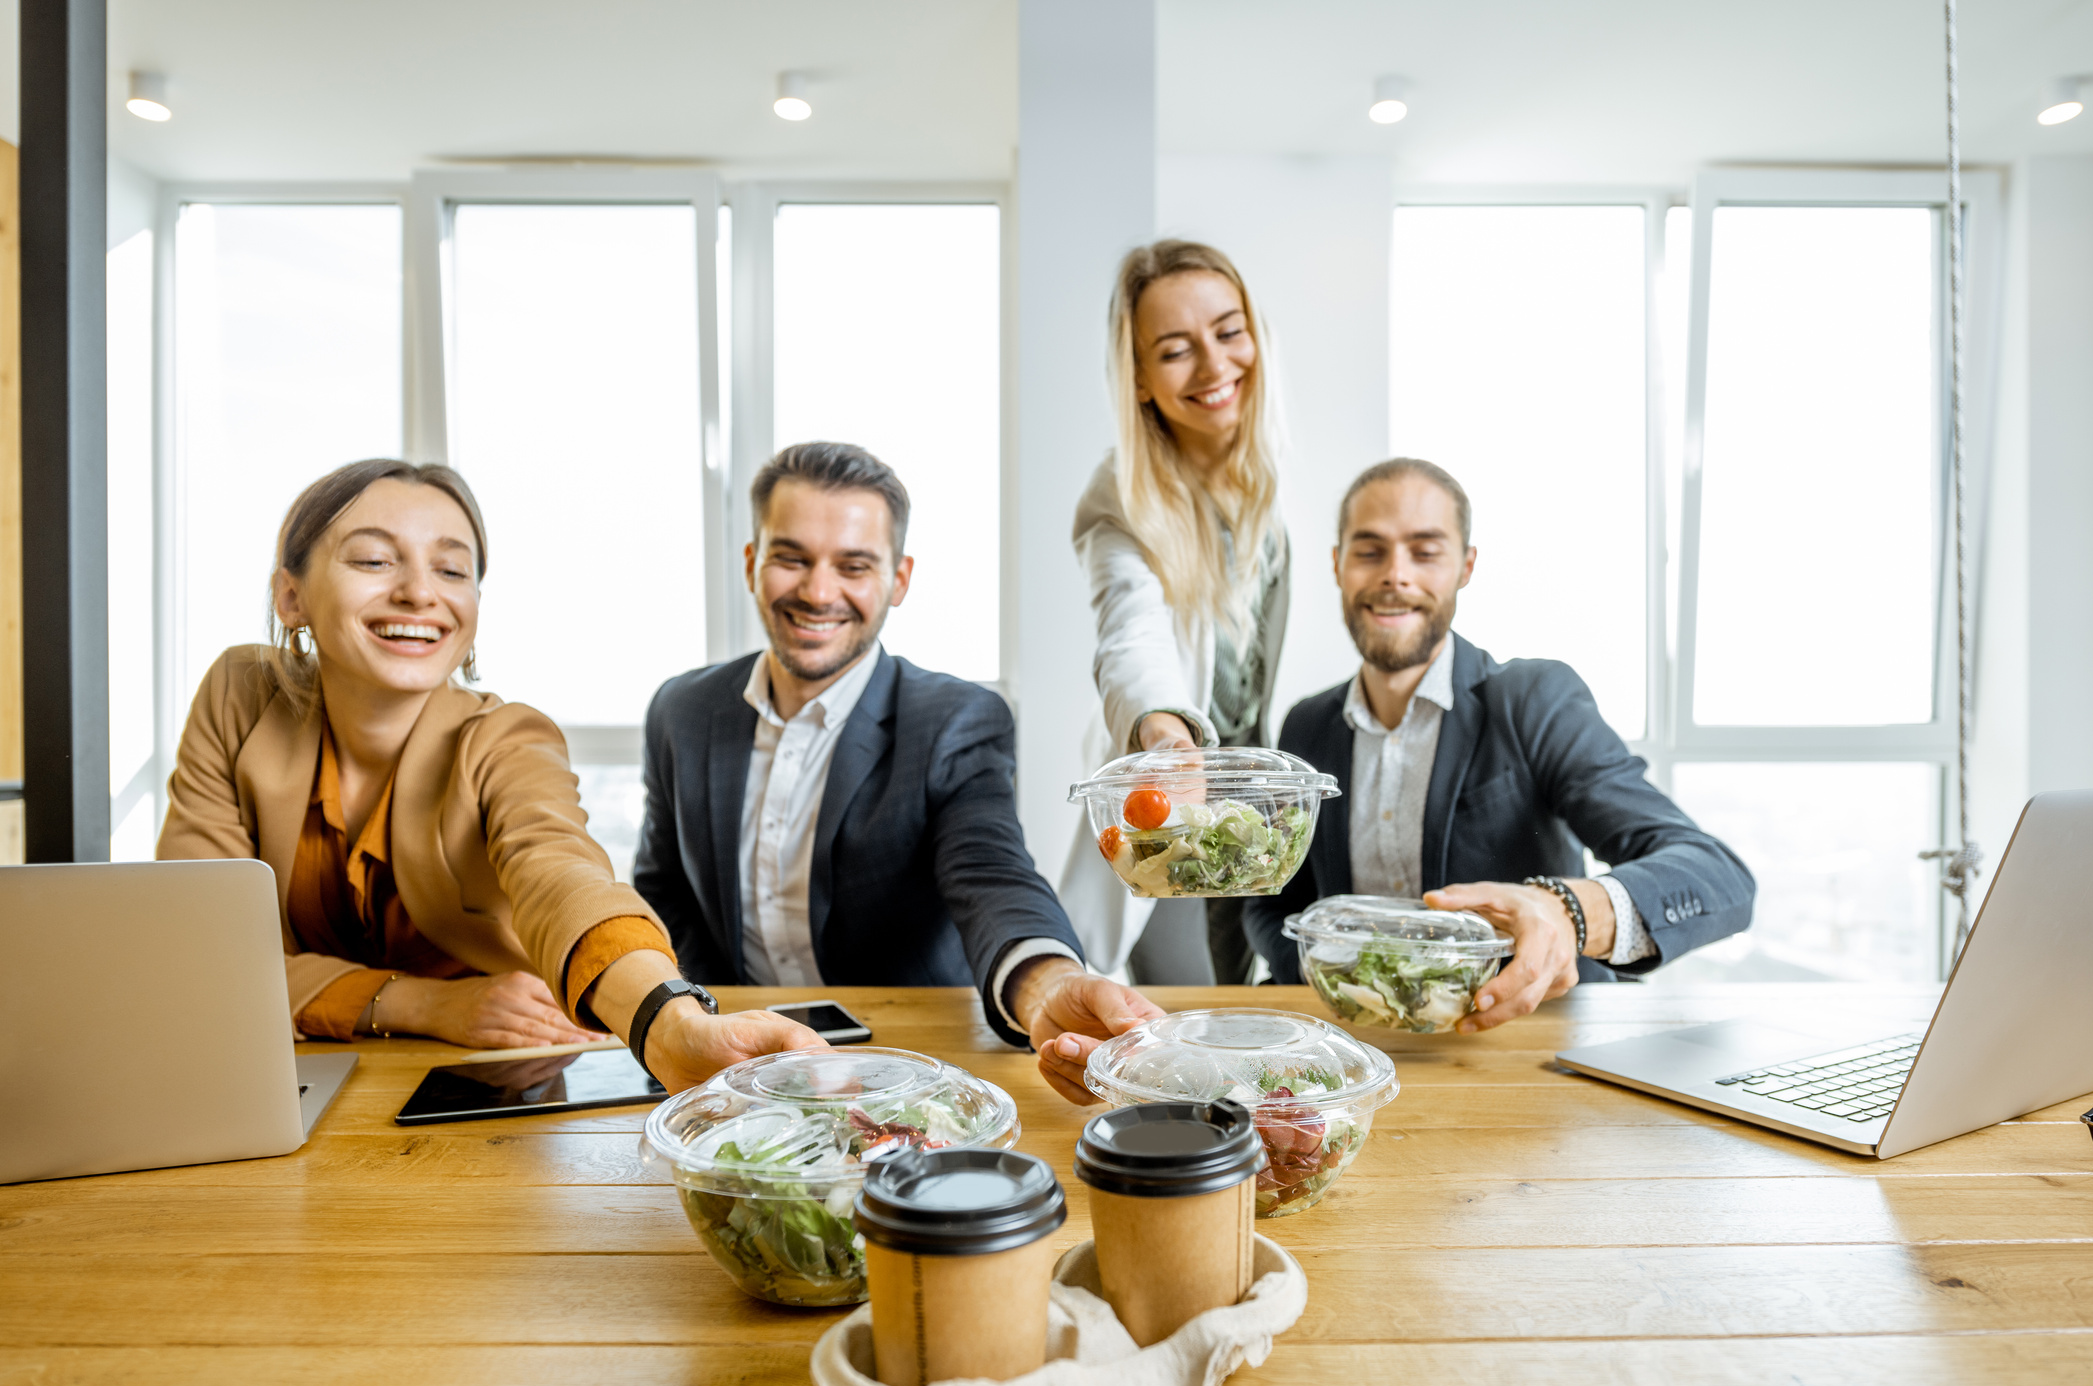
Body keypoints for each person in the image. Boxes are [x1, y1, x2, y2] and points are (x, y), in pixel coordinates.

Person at [158, 459, 825, 1091]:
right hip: (278, 1080)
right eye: (373, 559)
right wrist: (428, 1002)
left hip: (490, 1081)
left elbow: (565, 878)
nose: (420, 592)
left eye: (451, 569)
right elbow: (194, 957)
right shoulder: (241, 694)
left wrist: (669, 1023)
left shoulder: (507, 737)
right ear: (290, 595)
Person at [633, 441, 1158, 1102]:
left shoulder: (956, 720)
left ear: (900, 579)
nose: (818, 591)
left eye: (854, 565)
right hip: (729, 1072)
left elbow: (991, 873)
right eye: (791, 557)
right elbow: (664, 892)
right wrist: (702, 1019)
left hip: (906, 1072)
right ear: (752, 563)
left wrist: (1046, 984)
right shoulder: (681, 711)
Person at [1241, 458, 1755, 1030]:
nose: (1395, 574)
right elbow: (1272, 897)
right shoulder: (1306, 726)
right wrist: (1317, 971)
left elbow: (1718, 875)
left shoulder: (1535, 698)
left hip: (1527, 1043)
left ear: (1466, 566)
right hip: (1355, 1046)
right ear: (1338, 565)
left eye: (1425, 550)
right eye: (1370, 551)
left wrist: (1567, 913)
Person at [1059, 238, 1290, 985]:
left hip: (1271, 812)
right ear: (1140, 380)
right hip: (1182, 804)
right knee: (1187, 1009)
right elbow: (1131, 629)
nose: (1216, 366)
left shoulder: (1277, 474)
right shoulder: (1120, 494)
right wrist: (1165, 737)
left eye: (1228, 331)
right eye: (1175, 350)